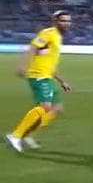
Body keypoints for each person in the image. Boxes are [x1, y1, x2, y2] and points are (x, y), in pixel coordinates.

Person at [6, 10, 73, 153]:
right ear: (55, 21)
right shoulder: (48, 33)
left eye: (68, 21)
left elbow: (51, 64)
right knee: (45, 107)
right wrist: (22, 65)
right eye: (63, 20)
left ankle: (26, 134)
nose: (66, 23)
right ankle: (15, 136)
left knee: (56, 109)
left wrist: (62, 81)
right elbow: (33, 47)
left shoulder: (58, 38)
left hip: (47, 76)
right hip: (39, 75)